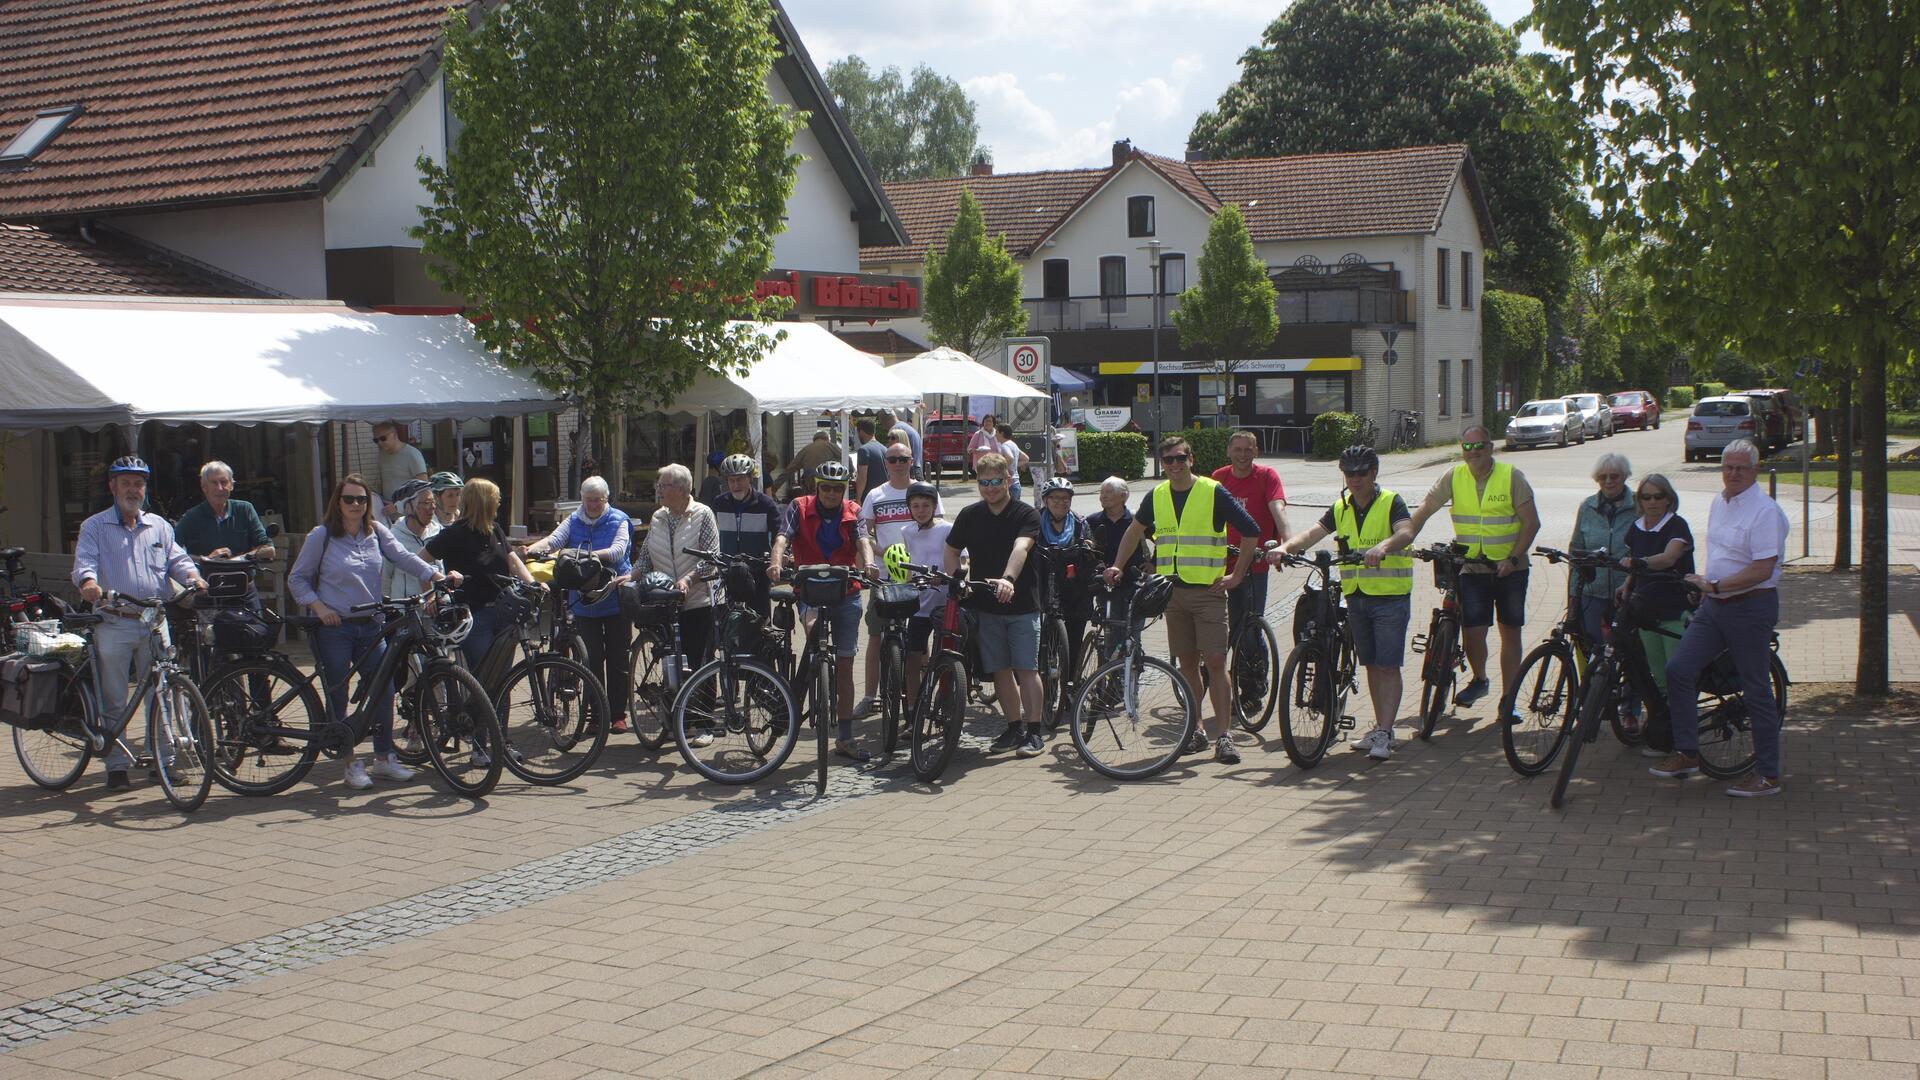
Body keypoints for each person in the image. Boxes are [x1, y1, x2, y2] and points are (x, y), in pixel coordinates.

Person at [288, 473, 449, 790]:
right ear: (338, 502)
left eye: (361, 500)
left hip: (371, 626)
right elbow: (297, 579)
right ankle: (349, 761)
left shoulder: (375, 531)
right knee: (338, 692)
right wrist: (319, 608)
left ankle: (384, 757)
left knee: (384, 691)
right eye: (349, 499)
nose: (355, 505)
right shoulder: (321, 536)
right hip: (335, 627)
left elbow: (403, 557)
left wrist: (436, 575)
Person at [1105, 435, 1259, 765]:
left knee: (1215, 662)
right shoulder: (1157, 495)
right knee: (1187, 664)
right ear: (1162, 464)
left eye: (1180, 458)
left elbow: (1250, 531)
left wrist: (1237, 575)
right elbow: (1134, 532)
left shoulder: (1211, 491)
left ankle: (1225, 736)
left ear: (1191, 459)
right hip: (1172, 594)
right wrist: (1118, 565)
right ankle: (1196, 729)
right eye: (1168, 460)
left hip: (1208, 593)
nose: (1174, 465)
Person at [1649, 440, 1790, 797]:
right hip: (1715, 606)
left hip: (1750, 606)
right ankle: (1687, 752)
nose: (1733, 474)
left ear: (1755, 470)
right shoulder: (1719, 502)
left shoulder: (1765, 512)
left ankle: (1768, 774)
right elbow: (1721, 553)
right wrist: (1706, 587)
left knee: (1756, 688)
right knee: (1680, 669)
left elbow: (1761, 570)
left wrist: (1715, 584)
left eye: (1741, 468)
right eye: (1728, 467)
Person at [71, 456, 209, 790]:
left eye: (138, 483)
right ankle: (116, 765)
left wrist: (193, 576)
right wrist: (89, 583)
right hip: (114, 620)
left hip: (154, 619)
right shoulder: (95, 526)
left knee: (162, 691)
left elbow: (177, 558)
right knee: (115, 696)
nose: (133, 489)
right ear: (112, 487)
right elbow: (84, 562)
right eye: (126, 482)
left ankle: (163, 761)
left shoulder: (159, 525)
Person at [1272, 446, 1416, 759]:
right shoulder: (1341, 507)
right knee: (1372, 666)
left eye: (1361, 472)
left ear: (1374, 473)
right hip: (1357, 596)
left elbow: (1406, 532)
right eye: (1349, 473)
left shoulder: (1391, 501)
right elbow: (1313, 533)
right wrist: (1286, 548)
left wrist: (1383, 547)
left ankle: (1385, 734)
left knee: (1388, 666)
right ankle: (1381, 727)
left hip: (1390, 597)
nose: (1354, 478)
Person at [1407, 425, 1541, 723]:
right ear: (1461, 448)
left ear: (1490, 447)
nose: (1473, 452)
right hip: (1472, 567)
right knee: (1473, 633)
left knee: (1510, 632)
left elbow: (1531, 523)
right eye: (1467, 447)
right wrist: (1404, 539)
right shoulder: (1454, 476)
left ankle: (1508, 700)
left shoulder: (1511, 476)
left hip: (1510, 569)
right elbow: (1425, 509)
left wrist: (1513, 557)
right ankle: (1480, 679)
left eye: (1479, 445)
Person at [944, 452, 1047, 757]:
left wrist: (1008, 579)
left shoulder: (1026, 514)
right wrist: (956, 579)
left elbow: (1022, 547)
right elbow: (951, 549)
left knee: (1026, 668)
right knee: (1000, 670)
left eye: (995, 481)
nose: (989, 488)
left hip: (1022, 605)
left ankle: (1034, 731)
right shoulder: (969, 515)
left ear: (1007, 480)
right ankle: (1014, 727)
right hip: (985, 606)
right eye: (983, 482)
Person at [770, 460, 873, 760]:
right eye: (825, 488)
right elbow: (782, 538)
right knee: (814, 629)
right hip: (810, 590)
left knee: (844, 662)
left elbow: (863, 541)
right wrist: (776, 562)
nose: (830, 493)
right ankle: (814, 666)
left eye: (837, 489)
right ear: (816, 488)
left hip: (846, 592)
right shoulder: (799, 507)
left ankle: (844, 736)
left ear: (845, 490)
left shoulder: (853, 511)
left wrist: (869, 565)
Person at [526, 476, 634, 734]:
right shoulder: (574, 520)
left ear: (606, 499)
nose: (594, 505)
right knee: (591, 660)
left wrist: (587, 556)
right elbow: (554, 541)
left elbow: (619, 550)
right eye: (589, 500)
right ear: (582, 499)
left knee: (618, 658)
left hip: (615, 596)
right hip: (584, 601)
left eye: (598, 500)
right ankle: (597, 716)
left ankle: (618, 714)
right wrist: (530, 549)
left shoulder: (619, 520)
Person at [853, 440, 944, 718]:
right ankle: (870, 696)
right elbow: (863, 533)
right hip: (884, 575)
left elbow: (937, 529)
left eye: (903, 459)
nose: (898, 464)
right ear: (886, 464)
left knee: (919, 639)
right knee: (877, 635)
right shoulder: (875, 495)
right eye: (892, 460)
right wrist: (882, 553)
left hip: (919, 578)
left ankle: (923, 692)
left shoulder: (925, 492)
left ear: (912, 460)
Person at [424, 478, 534, 669]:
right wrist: (431, 593)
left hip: (504, 611)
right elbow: (419, 561)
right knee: (484, 674)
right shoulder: (454, 534)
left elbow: (513, 560)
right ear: (484, 503)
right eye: (496, 499)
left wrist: (533, 584)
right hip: (475, 615)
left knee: (503, 677)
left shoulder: (495, 529)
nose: (499, 503)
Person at [1618, 472, 1692, 753]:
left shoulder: (1677, 526)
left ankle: (1682, 739)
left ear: (1669, 499)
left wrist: (1639, 562)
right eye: (1646, 497)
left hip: (1674, 609)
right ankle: (1661, 731)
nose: (1652, 502)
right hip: (1646, 610)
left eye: (1658, 496)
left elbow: (1669, 558)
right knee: (1657, 676)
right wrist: (1627, 585)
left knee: (1676, 675)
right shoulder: (1636, 528)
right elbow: (1634, 570)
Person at [630, 464, 722, 677]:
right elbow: (645, 556)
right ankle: (674, 708)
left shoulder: (702, 514)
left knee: (699, 664)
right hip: (666, 602)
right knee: (672, 663)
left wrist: (689, 580)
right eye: (658, 485)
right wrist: (631, 575)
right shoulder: (658, 517)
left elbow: (711, 557)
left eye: (663, 485)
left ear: (681, 489)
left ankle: (699, 710)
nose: (658, 489)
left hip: (697, 602)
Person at [1211, 430, 1289, 663]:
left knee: (1249, 627)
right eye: (1238, 449)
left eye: (1248, 449)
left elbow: (1278, 509)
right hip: (1221, 561)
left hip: (1254, 563)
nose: (1243, 454)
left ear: (1256, 451)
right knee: (1214, 623)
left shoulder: (1266, 476)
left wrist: (1288, 544)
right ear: (1228, 451)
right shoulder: (1219, 477)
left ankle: (1253, 683)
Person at [892, 483, 951, 702]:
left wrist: (946, 575)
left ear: (935, 506)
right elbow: (910, 562)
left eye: (926, 505)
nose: (920, 510)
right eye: (915, 506)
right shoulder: (906, 531)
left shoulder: (947, 529)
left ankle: (946, 700)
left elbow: (962, 560)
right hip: (920, 604)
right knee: (913, 657)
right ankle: (913, 709)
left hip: (944, 602)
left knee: (946, 656)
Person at [711, 453, 780, 622]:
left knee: (760, 626)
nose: (736, 485)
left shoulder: (765, 504)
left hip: (757, 574)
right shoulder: (719, 503)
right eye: (731, 480)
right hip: (728, 574)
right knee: (727, 625)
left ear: (750, 478)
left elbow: (780, 534)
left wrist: (780, 557)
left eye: (740, 479)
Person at [1085, 476, 1149, 638]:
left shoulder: (1136, 520)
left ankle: (1134, 664)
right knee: (1111, 638)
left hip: (1134, 584)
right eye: (1102, 492)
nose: (1103, 496)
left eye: (1108, 492)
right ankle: (1108, 662)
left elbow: (1161, 540)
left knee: (1133, 637)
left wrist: (1154, 563)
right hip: (1106, 587)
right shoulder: (1092, 521)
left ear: (1123, 496)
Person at [174, 461, 275, 562]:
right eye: (214, 483)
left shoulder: (244, 509)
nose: (220, 488)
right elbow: (170, 551)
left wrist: (237, 560)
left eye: (224, 482)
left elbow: (269, 549)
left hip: (242, 575)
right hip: (206, 577)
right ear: (204, 487)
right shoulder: (191, 517)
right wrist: (206, 560)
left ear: (231, 485)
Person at [382, 478, 441, 600]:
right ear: (408, 508)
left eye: (433, 502)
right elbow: (384, 578)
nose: (433, 507)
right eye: (426, 503)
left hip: (438, 609)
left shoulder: (439, 532)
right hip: (406, 613)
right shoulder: (393, 538)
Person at [372, 421, 430, 520]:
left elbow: (424, 490)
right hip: (388, 516)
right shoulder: (382, 455)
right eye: (376, 440)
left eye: (383, 438)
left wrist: (398, 506)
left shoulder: (412, 454)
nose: (380, 443)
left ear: (394, 434)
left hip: (410, 517)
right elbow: (383, 482)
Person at [782, 429, 839, 496]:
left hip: (810, 483)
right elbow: (846, 458)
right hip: (828, 482)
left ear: (814, 440)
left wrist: (774, 487)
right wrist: (851, 470)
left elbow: (790, 469)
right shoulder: (831, 446)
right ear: (826, 438)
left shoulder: (806, 449)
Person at [877, 408, 921, 478]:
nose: (883, 427)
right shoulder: (908, 427)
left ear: (886, 420)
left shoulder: (895, 430)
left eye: (882, 423)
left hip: (908, 472)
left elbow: (892, 453)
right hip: (917, 469)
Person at [851, 418, 887, 502]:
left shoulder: (864, 450)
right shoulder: (884, 449)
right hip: (884, 494)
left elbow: (862, 477)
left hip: (869, 496)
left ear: (861, 432)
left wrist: (858, 499)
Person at [997, 423, 1027, 504]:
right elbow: (1026, 458)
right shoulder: (1013, 445)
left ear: (1001, 433)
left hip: (1009, 485)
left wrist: (999, 469)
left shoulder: (1004, 446)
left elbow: (1010, 458)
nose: (995, 435)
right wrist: (1013, 465)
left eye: (997, 432)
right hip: (1016, 484)